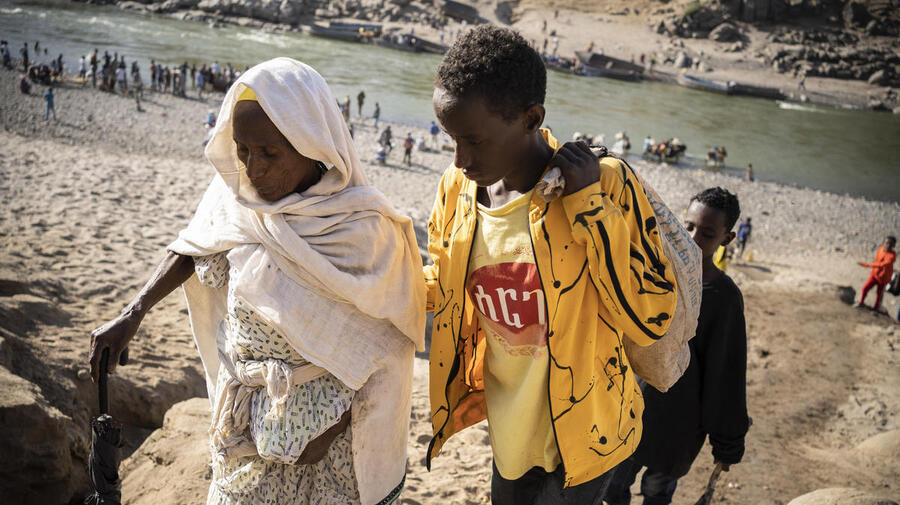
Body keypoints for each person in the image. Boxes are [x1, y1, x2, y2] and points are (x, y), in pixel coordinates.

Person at [87, 58, 424, 505]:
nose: (253, 167)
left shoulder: (362, 228)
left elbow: (385, 340)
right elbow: (195, 244)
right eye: (243, 150)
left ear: (313, 145)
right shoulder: (238, 197)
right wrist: (135, 312)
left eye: (270, 153)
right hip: (245, 416)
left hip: (325, 443)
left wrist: (327, 419)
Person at [424, 26, 677, 504]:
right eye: (451, 138)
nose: (460, 159)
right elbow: (440, 283)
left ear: (530, 118)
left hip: (588, 437)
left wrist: (588, 206)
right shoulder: (458, 190)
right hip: (509, 432)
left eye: (473, 141)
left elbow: (651, 317)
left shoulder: (604, 184)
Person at [604, 187, 750, 505]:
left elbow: (726, 375)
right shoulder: (654, 273)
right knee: (612, 488)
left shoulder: (723, 297)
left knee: (657, 493)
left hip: (679, 426)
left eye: (708, 233)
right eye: (688, 227)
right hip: (632, 409)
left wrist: (728, 442)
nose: (694, 238)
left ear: (727, 239)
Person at [857, 236, 897, 312]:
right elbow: (877, 261)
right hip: (874, 275)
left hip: (883, 279)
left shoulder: (891, 256)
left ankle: (875, 310)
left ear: (893, 246)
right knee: (865, 288)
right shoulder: (880, 250)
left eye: (890, 244)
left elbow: (881, 264)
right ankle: (861, 302)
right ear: (884, 243)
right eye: (887, 243)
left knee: (879, 295)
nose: (888, 245)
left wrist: (866, 265)